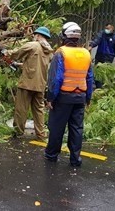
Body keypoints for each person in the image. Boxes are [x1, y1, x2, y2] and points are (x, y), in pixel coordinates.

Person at [44, 22, 94, 167]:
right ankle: (75, 159)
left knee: (56, 127)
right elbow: (89, 77)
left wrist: (50, 98)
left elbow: (56, 78)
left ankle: (51, 155)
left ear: (64, 36)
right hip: (80, 97)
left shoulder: (61, 53)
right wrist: (88, 97)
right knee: (77, 128)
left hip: (63, 97)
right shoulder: (86, 53)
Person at [5, 26, 54, 140]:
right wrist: (20, 65)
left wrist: (6, 53)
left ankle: (18, 132)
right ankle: (41, 134)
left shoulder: (32, 45)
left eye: (34, 35)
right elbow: (37, 64)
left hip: (27, 83)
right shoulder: (49, 51)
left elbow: (16, 53)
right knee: (39, 110)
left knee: (21, 109)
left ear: (38, 36)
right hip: (40, 85)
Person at [88, 24, 115, 88]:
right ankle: (98, 87)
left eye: (108, 28)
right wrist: (91, 46)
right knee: (98, 72)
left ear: (112, 29)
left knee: (105, 72)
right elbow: (97, 40)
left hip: (109, 57)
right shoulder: (102, 34)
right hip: (100, 55)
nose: (107, 30)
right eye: (106, 28)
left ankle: (105, 86)